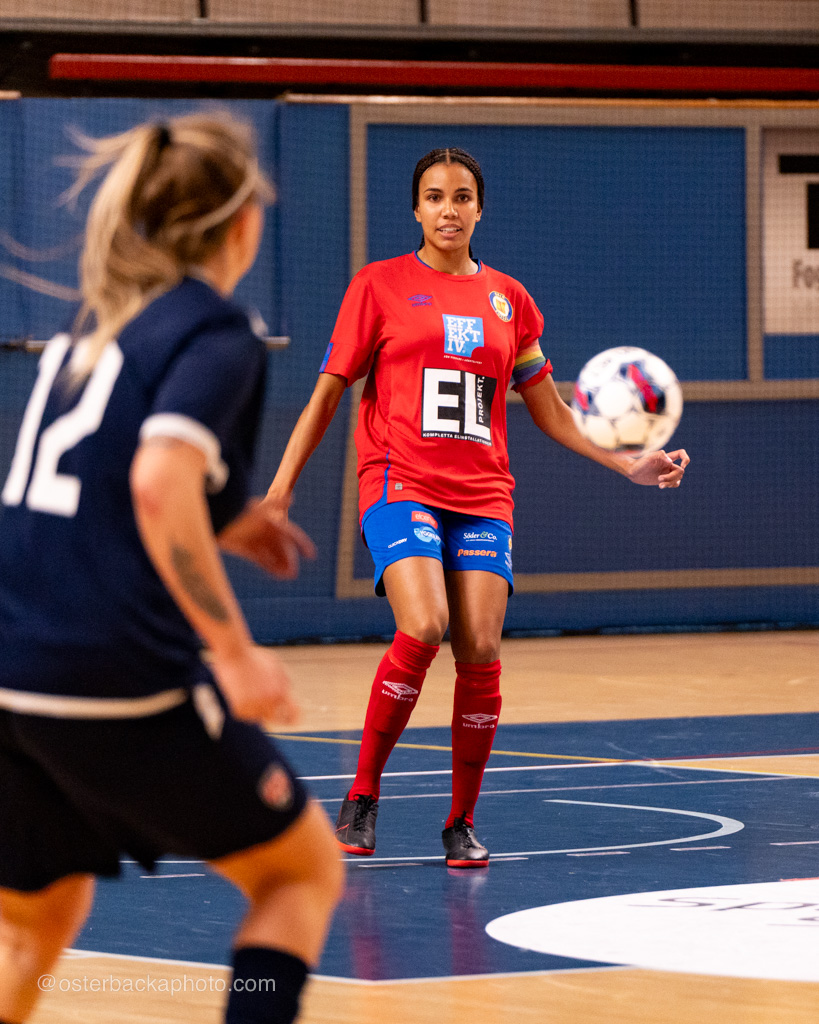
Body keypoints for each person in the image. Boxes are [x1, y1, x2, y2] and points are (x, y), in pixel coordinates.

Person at [0, 112, 343, 1024]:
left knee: (34, 924)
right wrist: (233, 652)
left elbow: (100, 478)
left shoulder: (94, 326)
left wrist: (224, 517)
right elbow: (156, 481)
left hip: (9, 671)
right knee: (300, 874)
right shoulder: (217, 332)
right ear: (243, 224)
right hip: (106, 674)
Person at [263, 146, 689, 869]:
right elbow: (326, 395)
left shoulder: (509, 300)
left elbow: (549, 410)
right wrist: (278, 491)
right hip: (400, 480)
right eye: (434, 196)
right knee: (424, 623)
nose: (448, 209)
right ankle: (362, 795)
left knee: (481, 649)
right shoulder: (378, 285)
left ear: (479, 209)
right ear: (415, 209)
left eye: (461, 197)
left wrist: (626, 463)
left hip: (483, 493)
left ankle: (460, 820)